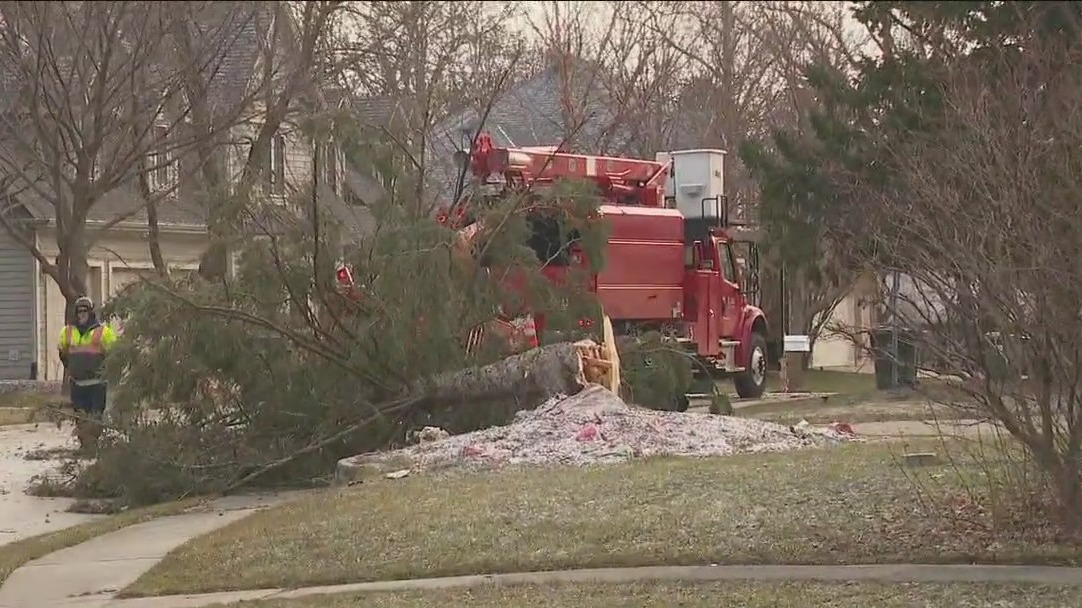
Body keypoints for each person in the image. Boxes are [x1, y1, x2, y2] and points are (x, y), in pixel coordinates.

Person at [58, 296, 118, 450]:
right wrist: (73, 369)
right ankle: (84, 445)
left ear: (91, 312)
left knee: (96, 415)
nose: (82, 314)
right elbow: (63, 353)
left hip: (97, 383)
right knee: (80, 415)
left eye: (85, 310)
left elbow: (115, 355)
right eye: (79, 311)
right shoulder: (67, 332)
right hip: (77, 383)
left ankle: (94, 444)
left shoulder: (104, 332)